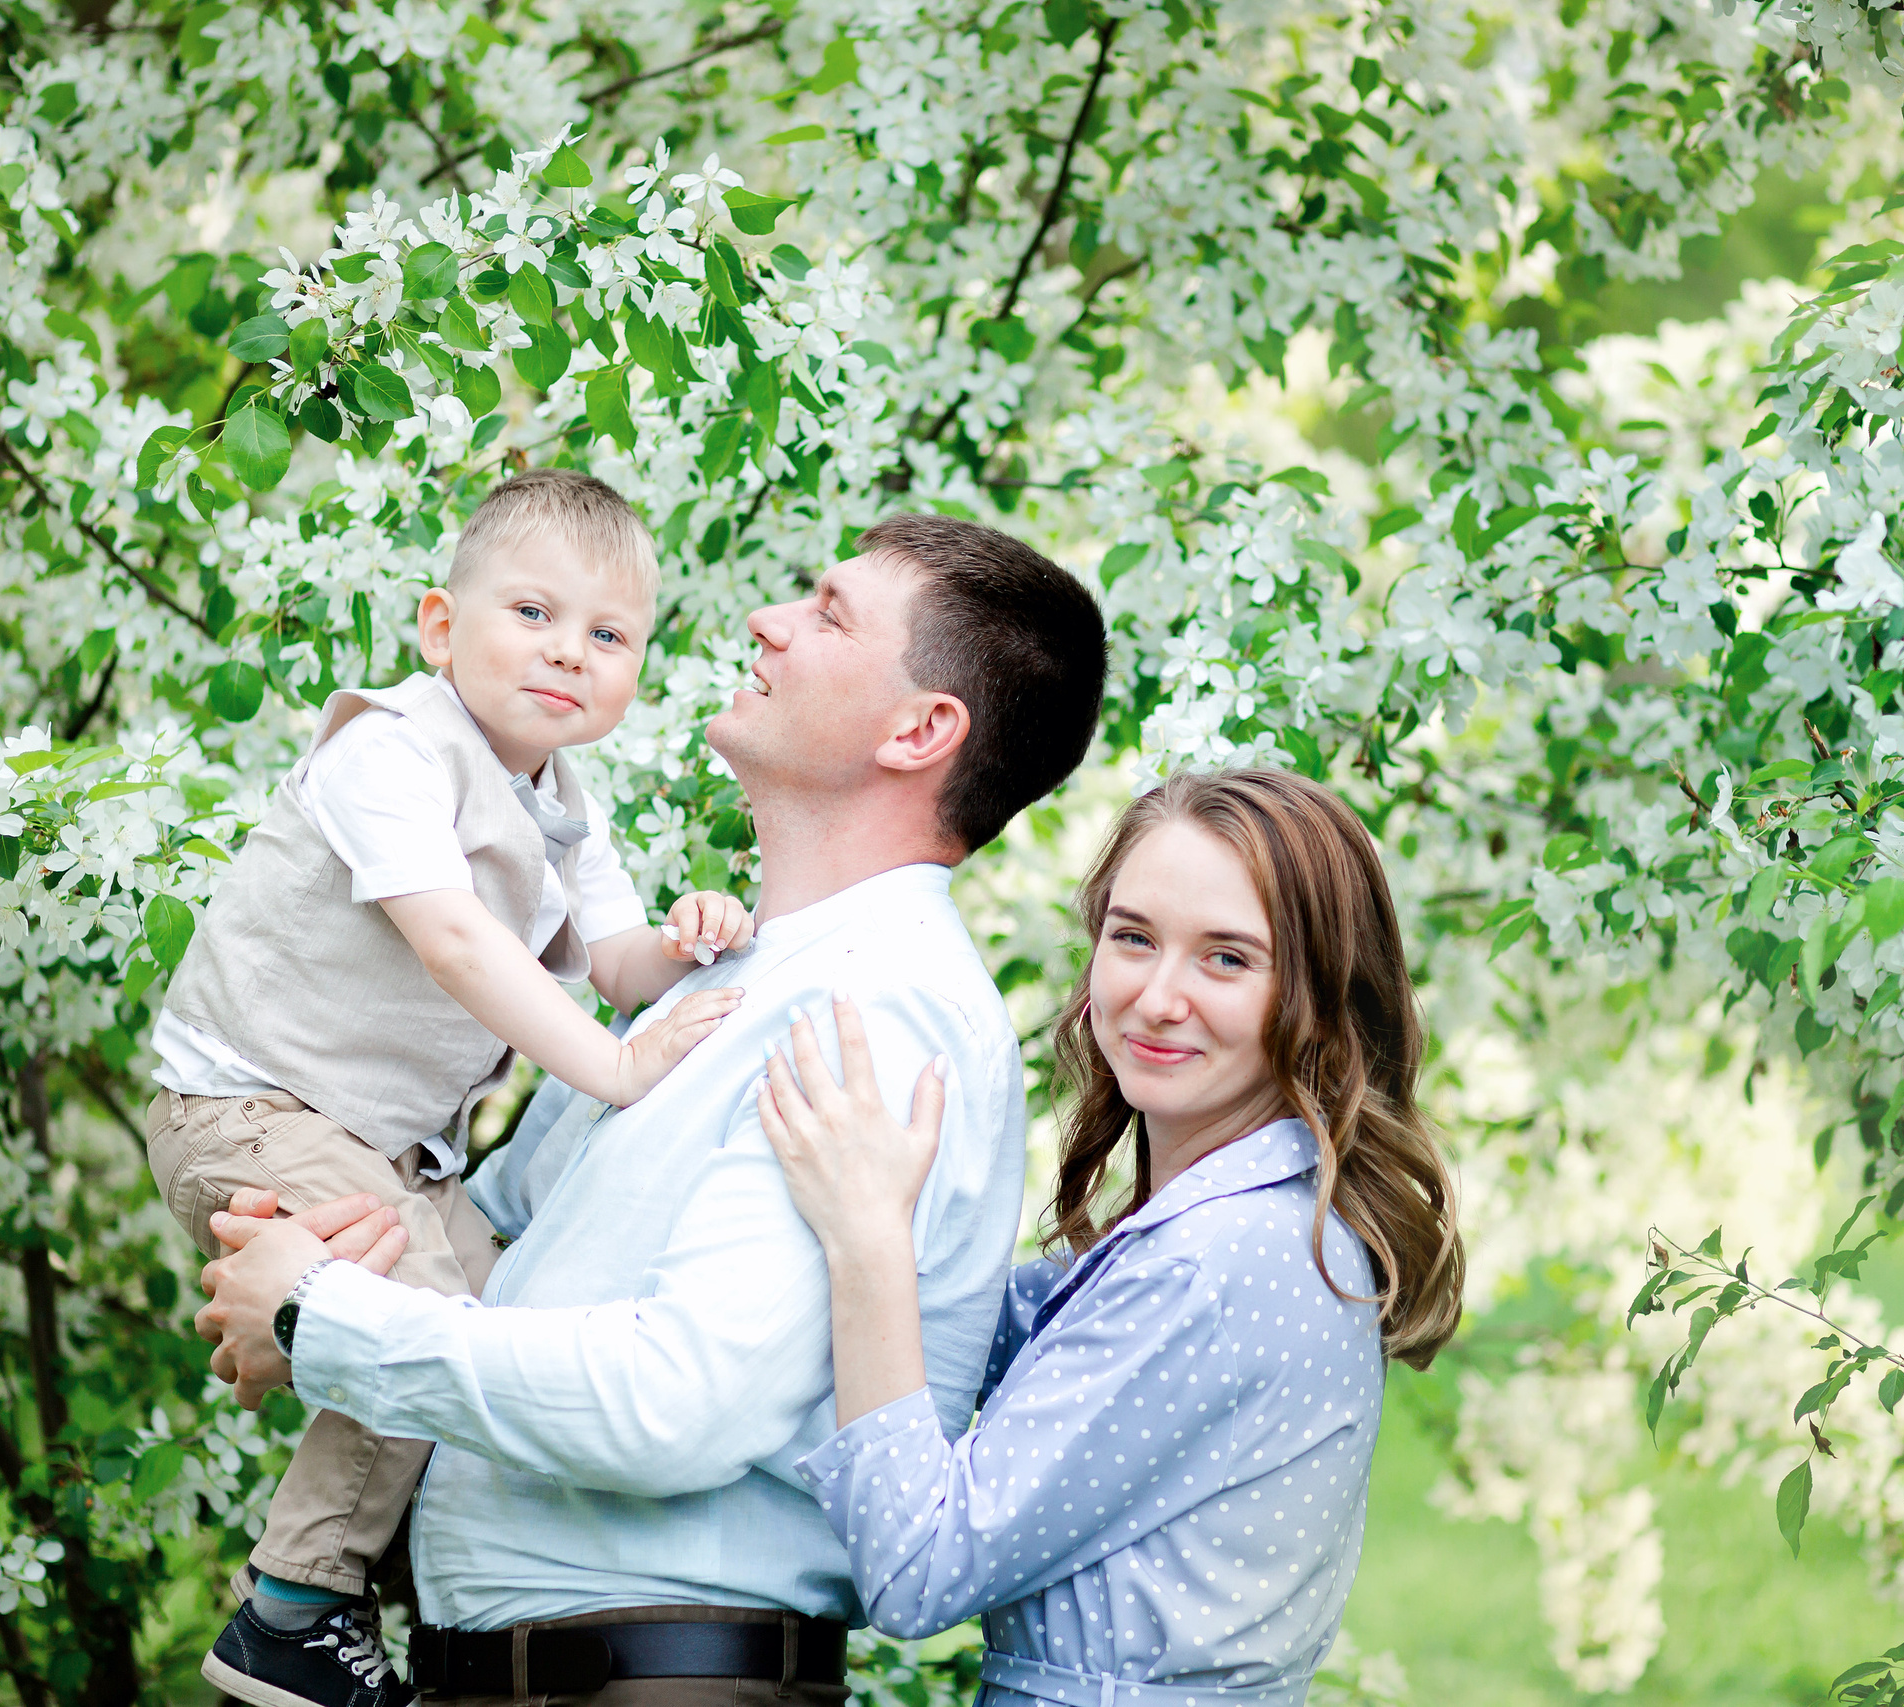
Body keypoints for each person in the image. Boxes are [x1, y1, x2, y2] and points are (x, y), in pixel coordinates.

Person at [193, 513, 1110, 1707]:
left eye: (828, 614)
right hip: (522, 1672)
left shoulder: (876, 1014)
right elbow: (501, 1244)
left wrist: (323, 1318)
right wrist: (327, 1240)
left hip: (659, 1677)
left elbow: (670, 1404)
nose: (765, 621)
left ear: (918, 731)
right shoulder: (721, 982)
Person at [145, 467, 755, 1707]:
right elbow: (456, 944)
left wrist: (693, 939)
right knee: (419, 1318)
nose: (568, 651)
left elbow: (616, 964)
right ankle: (295, 1606)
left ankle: (406, 1582)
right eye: (532, 613)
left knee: (493, 1299)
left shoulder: (565, 806)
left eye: (609, 635)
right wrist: (618, 1065)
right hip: (248, 1107)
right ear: (440, 626)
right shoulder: (389, 749)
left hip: (372, 1149)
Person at [752, 769, 1466, 1707]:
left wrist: (868, 1242)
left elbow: (919, 1566)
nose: (1158, 997)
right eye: (1133, 938)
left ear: (1321, 998)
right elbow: (974, 1329)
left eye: (1227, 959)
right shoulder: (1239, 1226)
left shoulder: (1218, 1260)